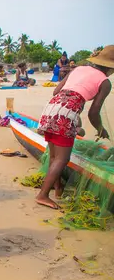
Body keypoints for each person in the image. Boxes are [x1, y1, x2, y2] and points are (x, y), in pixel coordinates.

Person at [35, 45, 114, 209]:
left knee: (54, 156)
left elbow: (56, 91)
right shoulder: (105, 82)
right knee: (63, 158)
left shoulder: (79, 69)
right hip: (65, 115)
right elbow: (94, 113)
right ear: (110, 68)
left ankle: (57, 188)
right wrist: (101, 129)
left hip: (50, 109)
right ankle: (43, 195)